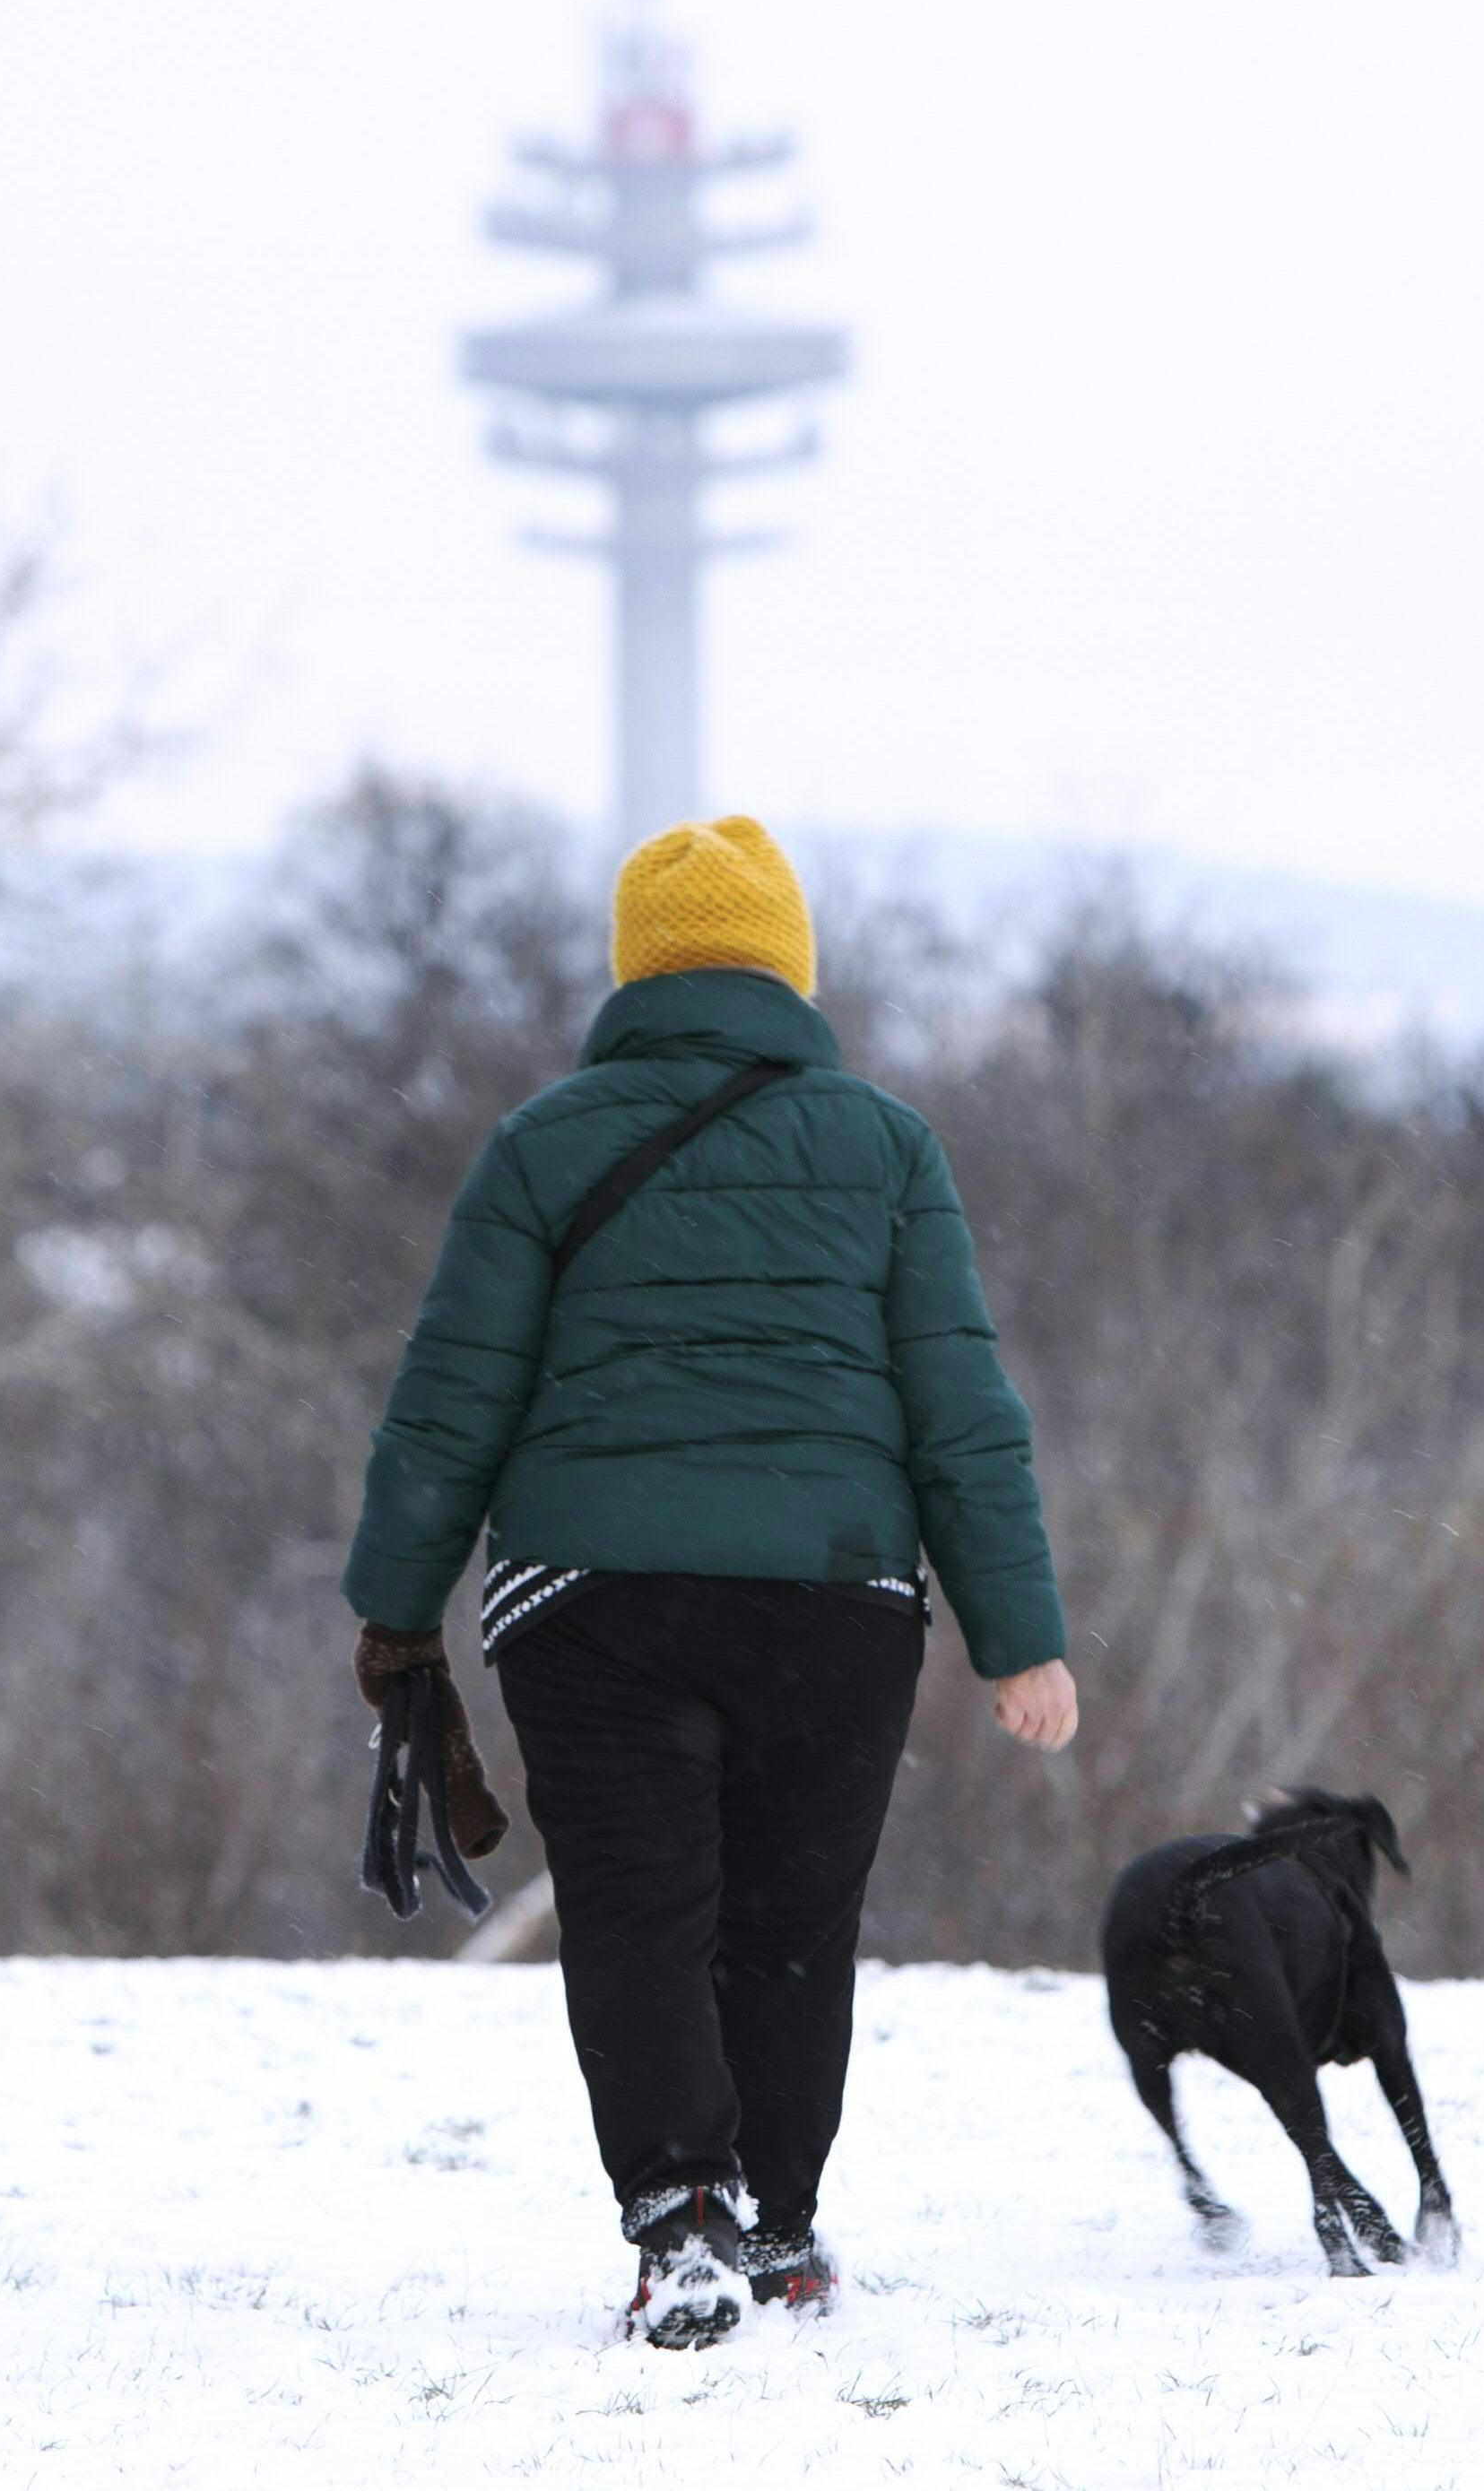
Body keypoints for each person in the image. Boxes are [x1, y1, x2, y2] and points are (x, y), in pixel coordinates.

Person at [340, 815, 1078, 2349]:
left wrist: (398, 1607)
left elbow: (450, 1396)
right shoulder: (885, 1144)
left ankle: (683, 2214)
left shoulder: (546, 1142)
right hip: (831, 1598)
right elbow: (961, 1410)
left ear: (637, 970)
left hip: (592, 1598)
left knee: (637, 1913)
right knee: (792, 1921)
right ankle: (785, 2230)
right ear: (788, 969)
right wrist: (1022, 1636)